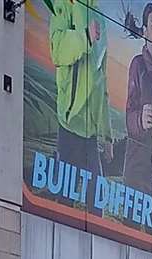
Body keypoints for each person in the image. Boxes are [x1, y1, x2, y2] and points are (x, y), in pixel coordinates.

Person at [47, 0, 109, 182]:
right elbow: (57, 50)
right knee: (64, 199)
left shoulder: (101, 18)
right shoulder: (64, 5)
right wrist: (85, 37)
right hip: (69, 125)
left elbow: (102, 81)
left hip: (91, 134)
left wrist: (107, 136)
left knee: (97, 200)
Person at [122, 3, 152, 205]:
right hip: (135, 175)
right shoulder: (138, 65)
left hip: (151, 176)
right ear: (145, 31)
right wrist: (139, 119)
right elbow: (128, 116)